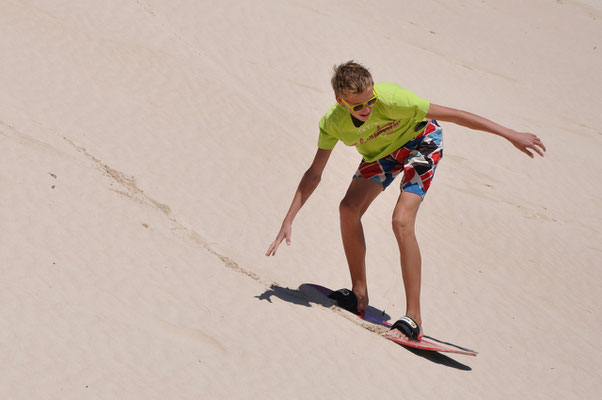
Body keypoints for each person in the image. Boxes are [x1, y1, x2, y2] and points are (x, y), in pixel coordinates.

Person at [265, 61, 545, 341]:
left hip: (422, 141)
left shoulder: (394, 99)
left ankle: (414, 319)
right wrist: (289, 219)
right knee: (348, 209)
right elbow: (315, 173)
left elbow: (456, 115)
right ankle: (358, 295)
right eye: (358, 107)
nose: (367, 109)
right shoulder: (332, 123)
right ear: (341, 102)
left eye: (371, 101)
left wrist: (509, 134)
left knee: (401, 221)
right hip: (381, 155)